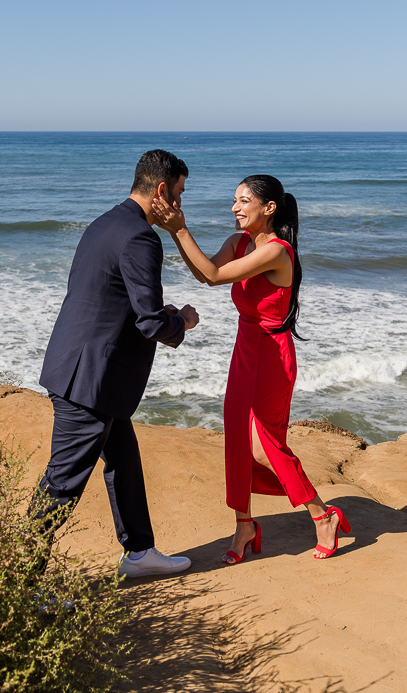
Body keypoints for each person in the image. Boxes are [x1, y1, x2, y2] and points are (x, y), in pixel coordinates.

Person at [151, 174, 351, 563]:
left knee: (265, 446)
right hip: (245, 347)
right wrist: (175, 232)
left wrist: (180, 227)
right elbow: (204, 272)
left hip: (273, 354)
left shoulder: (277, 251)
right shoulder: (239, 242)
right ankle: (245, 525)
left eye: (244, 201)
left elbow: (213, 275)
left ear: (269, 208)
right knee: (238, 440)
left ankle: (323, 515)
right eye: (234, 200)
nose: (235, 208)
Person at [37, 149, 200, 578]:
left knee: (124, 458)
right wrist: (180, 321)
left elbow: (111, 299)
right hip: (91, 381)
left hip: (86, 370)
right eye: (180, 194)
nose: (180, 205)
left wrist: (154, 313)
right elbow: (149, 323)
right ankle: (21, 579)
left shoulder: (106, 222)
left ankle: (140, 552)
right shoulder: (141, 238)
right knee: (62, 485)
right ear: (162, 191)